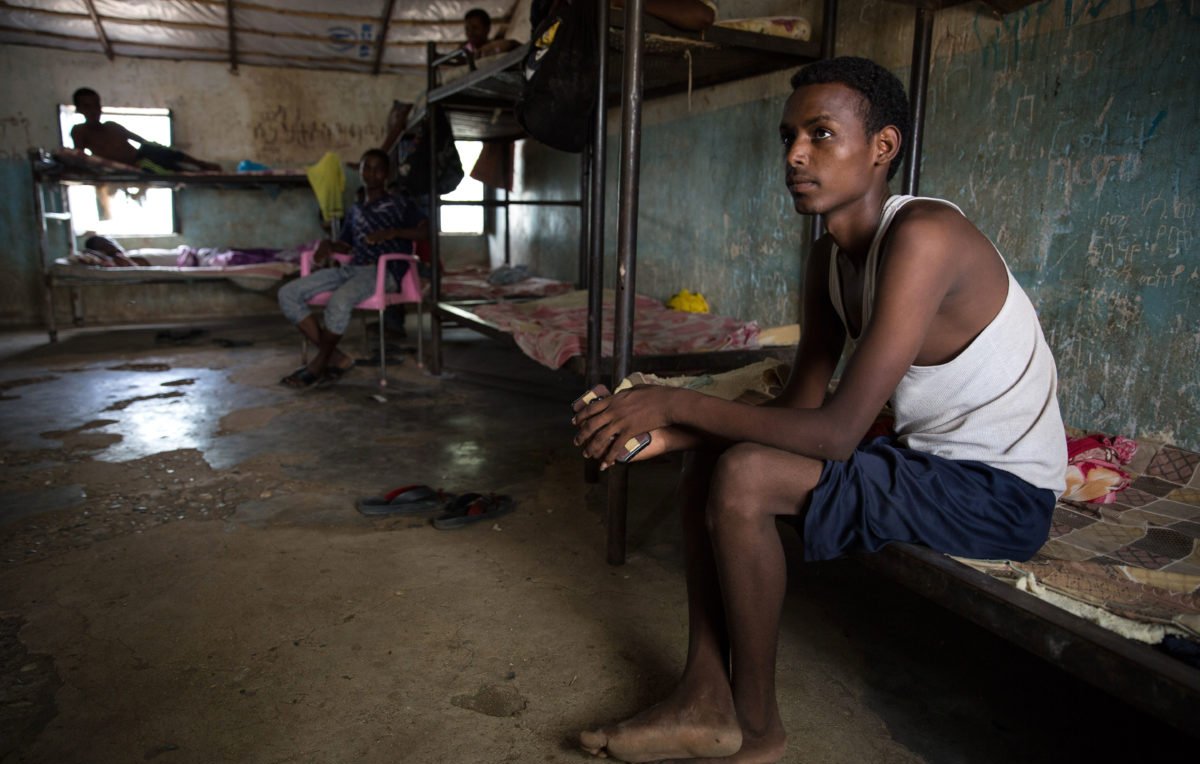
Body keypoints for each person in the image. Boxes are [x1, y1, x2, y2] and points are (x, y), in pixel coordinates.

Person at [572, 56, 1066, 764]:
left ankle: (760, 729)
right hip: (926, 463)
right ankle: (703, 699)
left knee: (745, 476)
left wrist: (674, 401)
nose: (795, 155)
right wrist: (669, 433)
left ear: (881, 148)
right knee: (719, 456)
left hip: (1000, 494)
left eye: (821, 134)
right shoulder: (827, 261)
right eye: (788, 137)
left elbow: (834, 435)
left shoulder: (925, 236)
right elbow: (800, 405)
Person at [277, 148, 428, 388]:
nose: (371, 173)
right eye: (366, 167)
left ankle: (318, 365)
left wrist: (393, 232)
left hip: (382, 272)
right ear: (359, 172)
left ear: (386, 174)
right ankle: (335, 358)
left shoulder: (400, 204)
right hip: (352, 270)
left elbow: (425, 230)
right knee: (288, 293)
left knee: (339, 301)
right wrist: (329, 245)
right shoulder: (356, 210)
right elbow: (346, 246)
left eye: (377, 168)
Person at [70, 88, 220, 173]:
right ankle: (199, 173)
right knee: (171, 172)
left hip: (142, 153)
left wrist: (152, 146)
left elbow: (138, 140)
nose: (94, 110)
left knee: (162, 151)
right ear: (79, 109)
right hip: (136, 164)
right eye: (87, 106)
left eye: (97, 105)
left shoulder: (111, 126)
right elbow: (80, 156)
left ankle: (203, 165)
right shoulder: (80, 131)